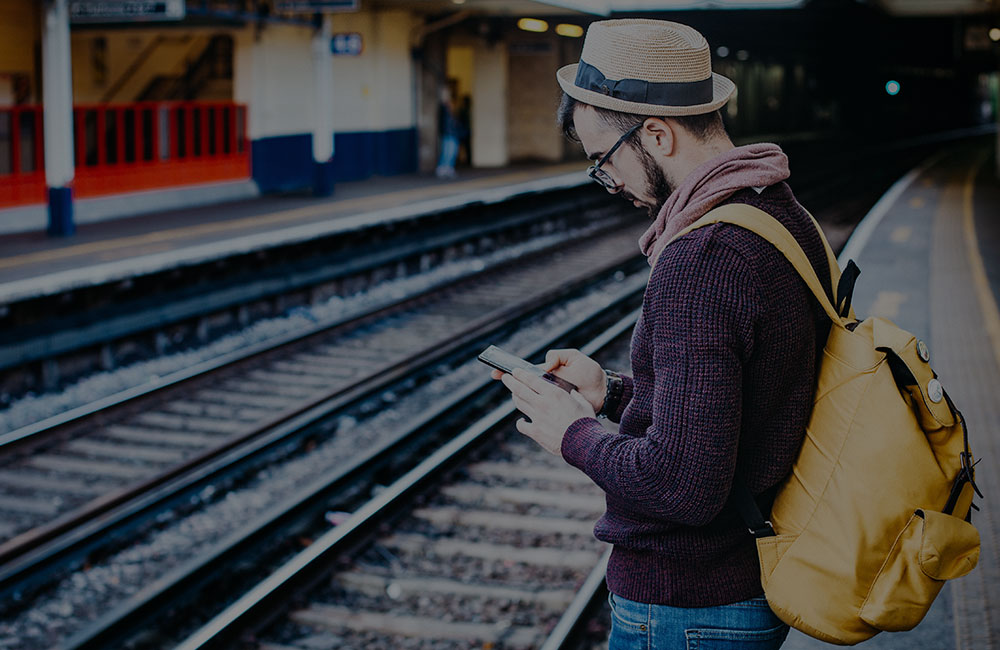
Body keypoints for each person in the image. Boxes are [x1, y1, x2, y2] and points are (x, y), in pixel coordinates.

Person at [491, 19, 832, 649]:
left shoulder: (701, 258)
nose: (610, 181)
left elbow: (680, 484)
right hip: (740, 583)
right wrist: (612, 392)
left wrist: (573, 434)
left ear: (656, 133)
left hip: (688, 603)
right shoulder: (780, 213)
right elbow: (741, 404)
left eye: (604, 159)